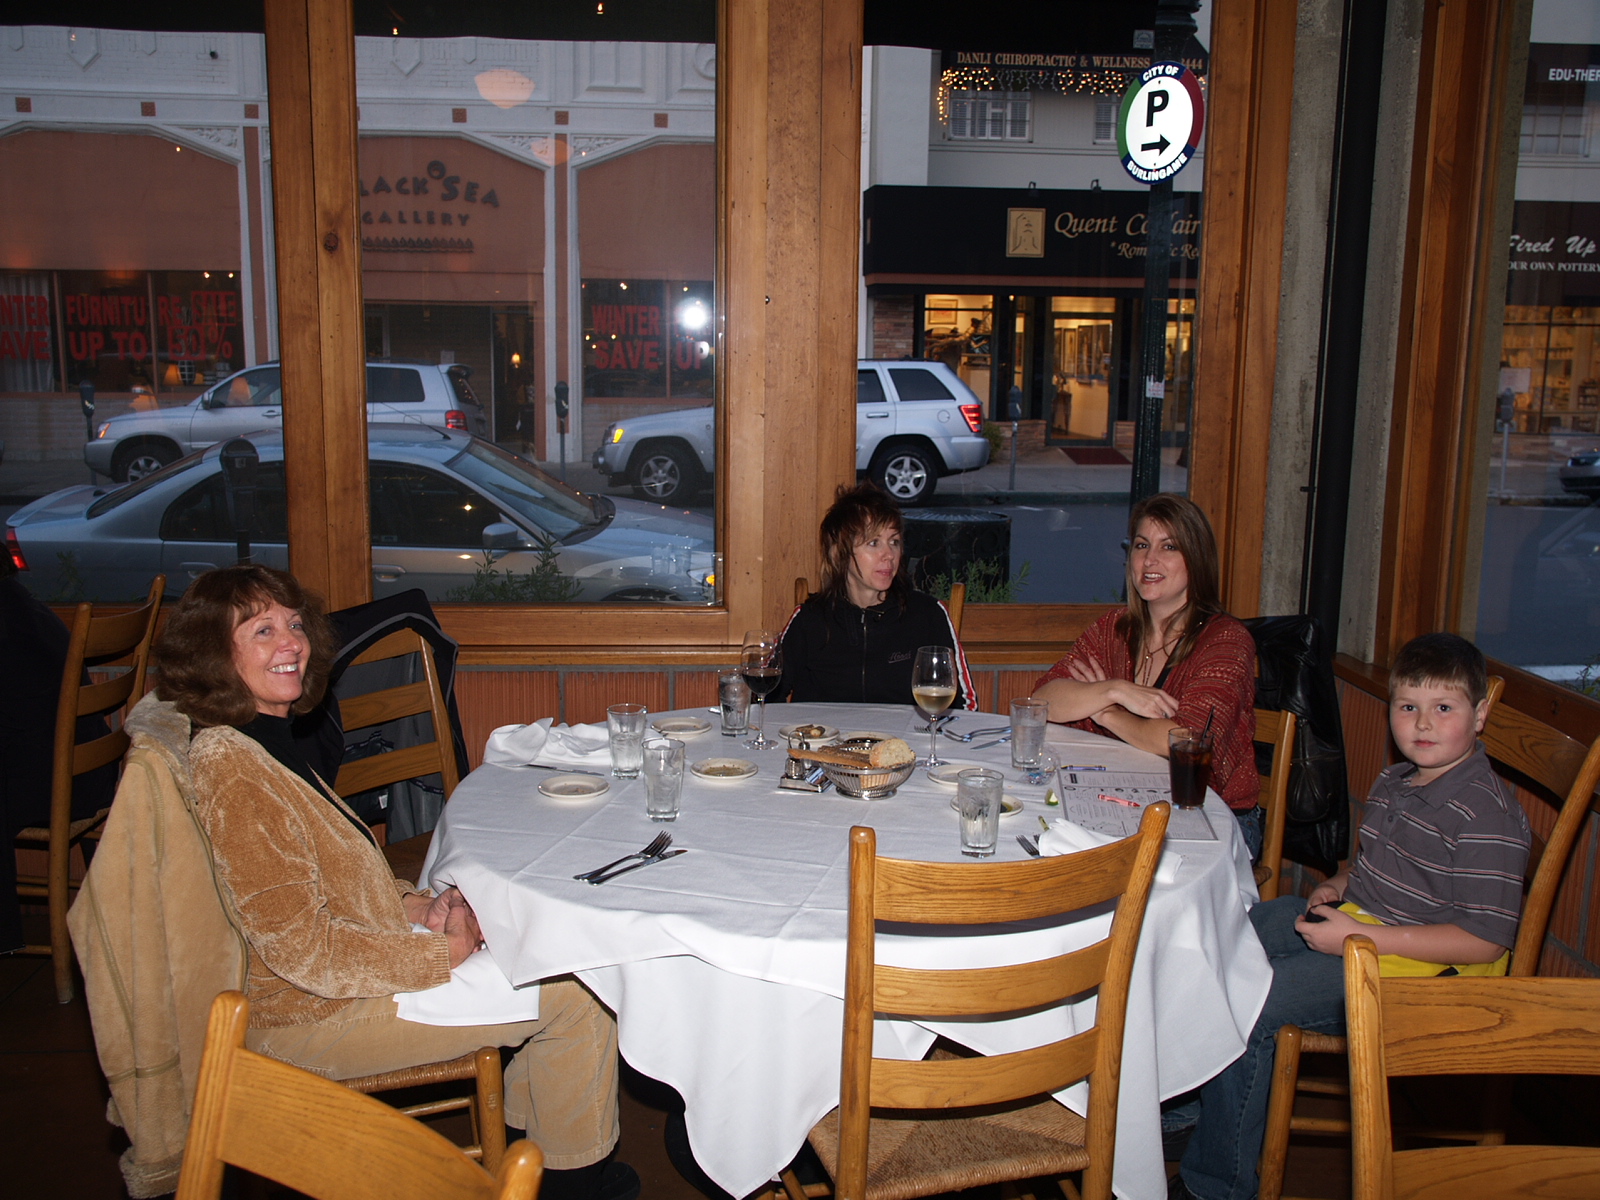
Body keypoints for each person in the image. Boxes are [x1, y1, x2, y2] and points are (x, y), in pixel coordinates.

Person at [154, 566, 635, 1200]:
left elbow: (331, 873)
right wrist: (442, 952)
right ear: (215, 653)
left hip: (346, 970)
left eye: (294, 624)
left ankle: (542, 1155)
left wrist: (415, 905)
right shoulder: (233, 766)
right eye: (262, 630)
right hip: (307, 1016)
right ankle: (569, 1181)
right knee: (579, 992)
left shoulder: (263, 736)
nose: (291, 643)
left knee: (547, 957)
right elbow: (300, 948)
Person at [1170, 633, 1531, 1200]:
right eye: (1408, 707)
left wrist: (1361, 939)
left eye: (1444, 708)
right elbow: (1373, 868)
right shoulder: (1397, 780)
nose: (1423, 724)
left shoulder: (1488, 815)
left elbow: (1485, 941)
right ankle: (1197, 1099)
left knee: (1253, 1001)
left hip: (1429, 976)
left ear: (1480, 715)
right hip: (1367, 927)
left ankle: (1218, 1185)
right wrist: (1337, 886)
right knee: (1228, 935)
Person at [1031, 493, 1261, 853]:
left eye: (1169, 547)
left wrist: (1106, 713)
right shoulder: (1114, 629)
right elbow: (1042, 700)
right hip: (1122, 803)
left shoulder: (1226, 641)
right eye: (1141, 545)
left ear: (1196, 558)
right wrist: (1115, 690)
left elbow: (1186, 742)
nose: (1150, 560)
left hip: (1212, 817)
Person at [777, 482, 974, 708]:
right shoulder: (809, 619)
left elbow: (964, 704)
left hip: (905, 732)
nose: (889, 554)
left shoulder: (928, 615)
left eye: (894, 542)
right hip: (823, 732)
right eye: (874, 543)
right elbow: (767, 697)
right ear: (839, 553)